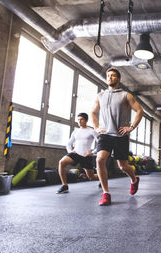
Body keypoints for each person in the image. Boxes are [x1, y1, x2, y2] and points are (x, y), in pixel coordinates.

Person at [91, 68, 144, 206]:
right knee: (100, 159)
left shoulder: (126, 95)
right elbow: (92, 112)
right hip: (105, 135)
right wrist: (97, 127)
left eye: (113, 75)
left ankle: (134, 180)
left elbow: (139, 110)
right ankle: (106, 194)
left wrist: (131, 127)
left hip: (121, 134)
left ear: (118, 79)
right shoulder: (100, 95)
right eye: (108, 76)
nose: (110, 77)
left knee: (123, 166)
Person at [56, 113, 98, 194]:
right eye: (78, 119)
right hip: (75, 154)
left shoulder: (91, 131)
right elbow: (68, 144)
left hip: (86, 156)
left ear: (86, 120)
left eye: (81, 119)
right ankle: (64, 186)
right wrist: (70, 151)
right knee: (62, 162)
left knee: (91, 177)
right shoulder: (76, 131)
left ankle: (102, 178)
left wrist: (92, 152)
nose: (79, 121)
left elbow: (100, 143)